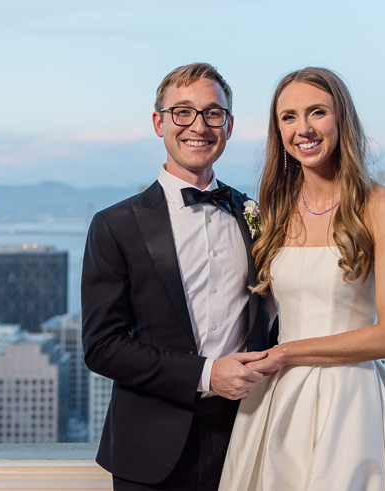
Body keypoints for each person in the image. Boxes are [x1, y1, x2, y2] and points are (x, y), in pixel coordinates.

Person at [218, 67, 385, 490]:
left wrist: (284, 354)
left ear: (341, 120)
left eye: (317, 112)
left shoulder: (381, 206)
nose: (304, 128)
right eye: (289, 117)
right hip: (275, 401)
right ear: (278, 130)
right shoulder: (272, 212)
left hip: (350, 402)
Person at [82, 62, 272, 491]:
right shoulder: (116, 225)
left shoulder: (257, 217)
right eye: (183, 112)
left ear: (229, 125)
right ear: (159, 122)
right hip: (148, 448)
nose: (199, 126)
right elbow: (102, 348)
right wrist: (206, 375)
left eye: (213, 113)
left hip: (249, 436)